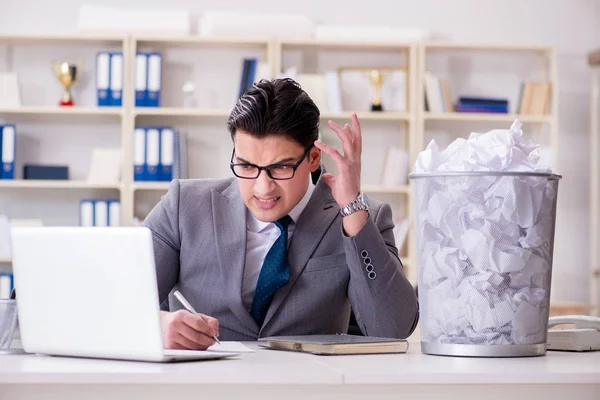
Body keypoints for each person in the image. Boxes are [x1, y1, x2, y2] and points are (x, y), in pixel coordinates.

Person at [143, 78, 419, 350]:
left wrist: (352, 209)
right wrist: (156, 326)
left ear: (313, 158)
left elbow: (392, 328)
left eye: (281, 168)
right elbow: (109, 303)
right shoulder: (183, 206)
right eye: (247, 166)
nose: (263, 187)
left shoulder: (362, 217)